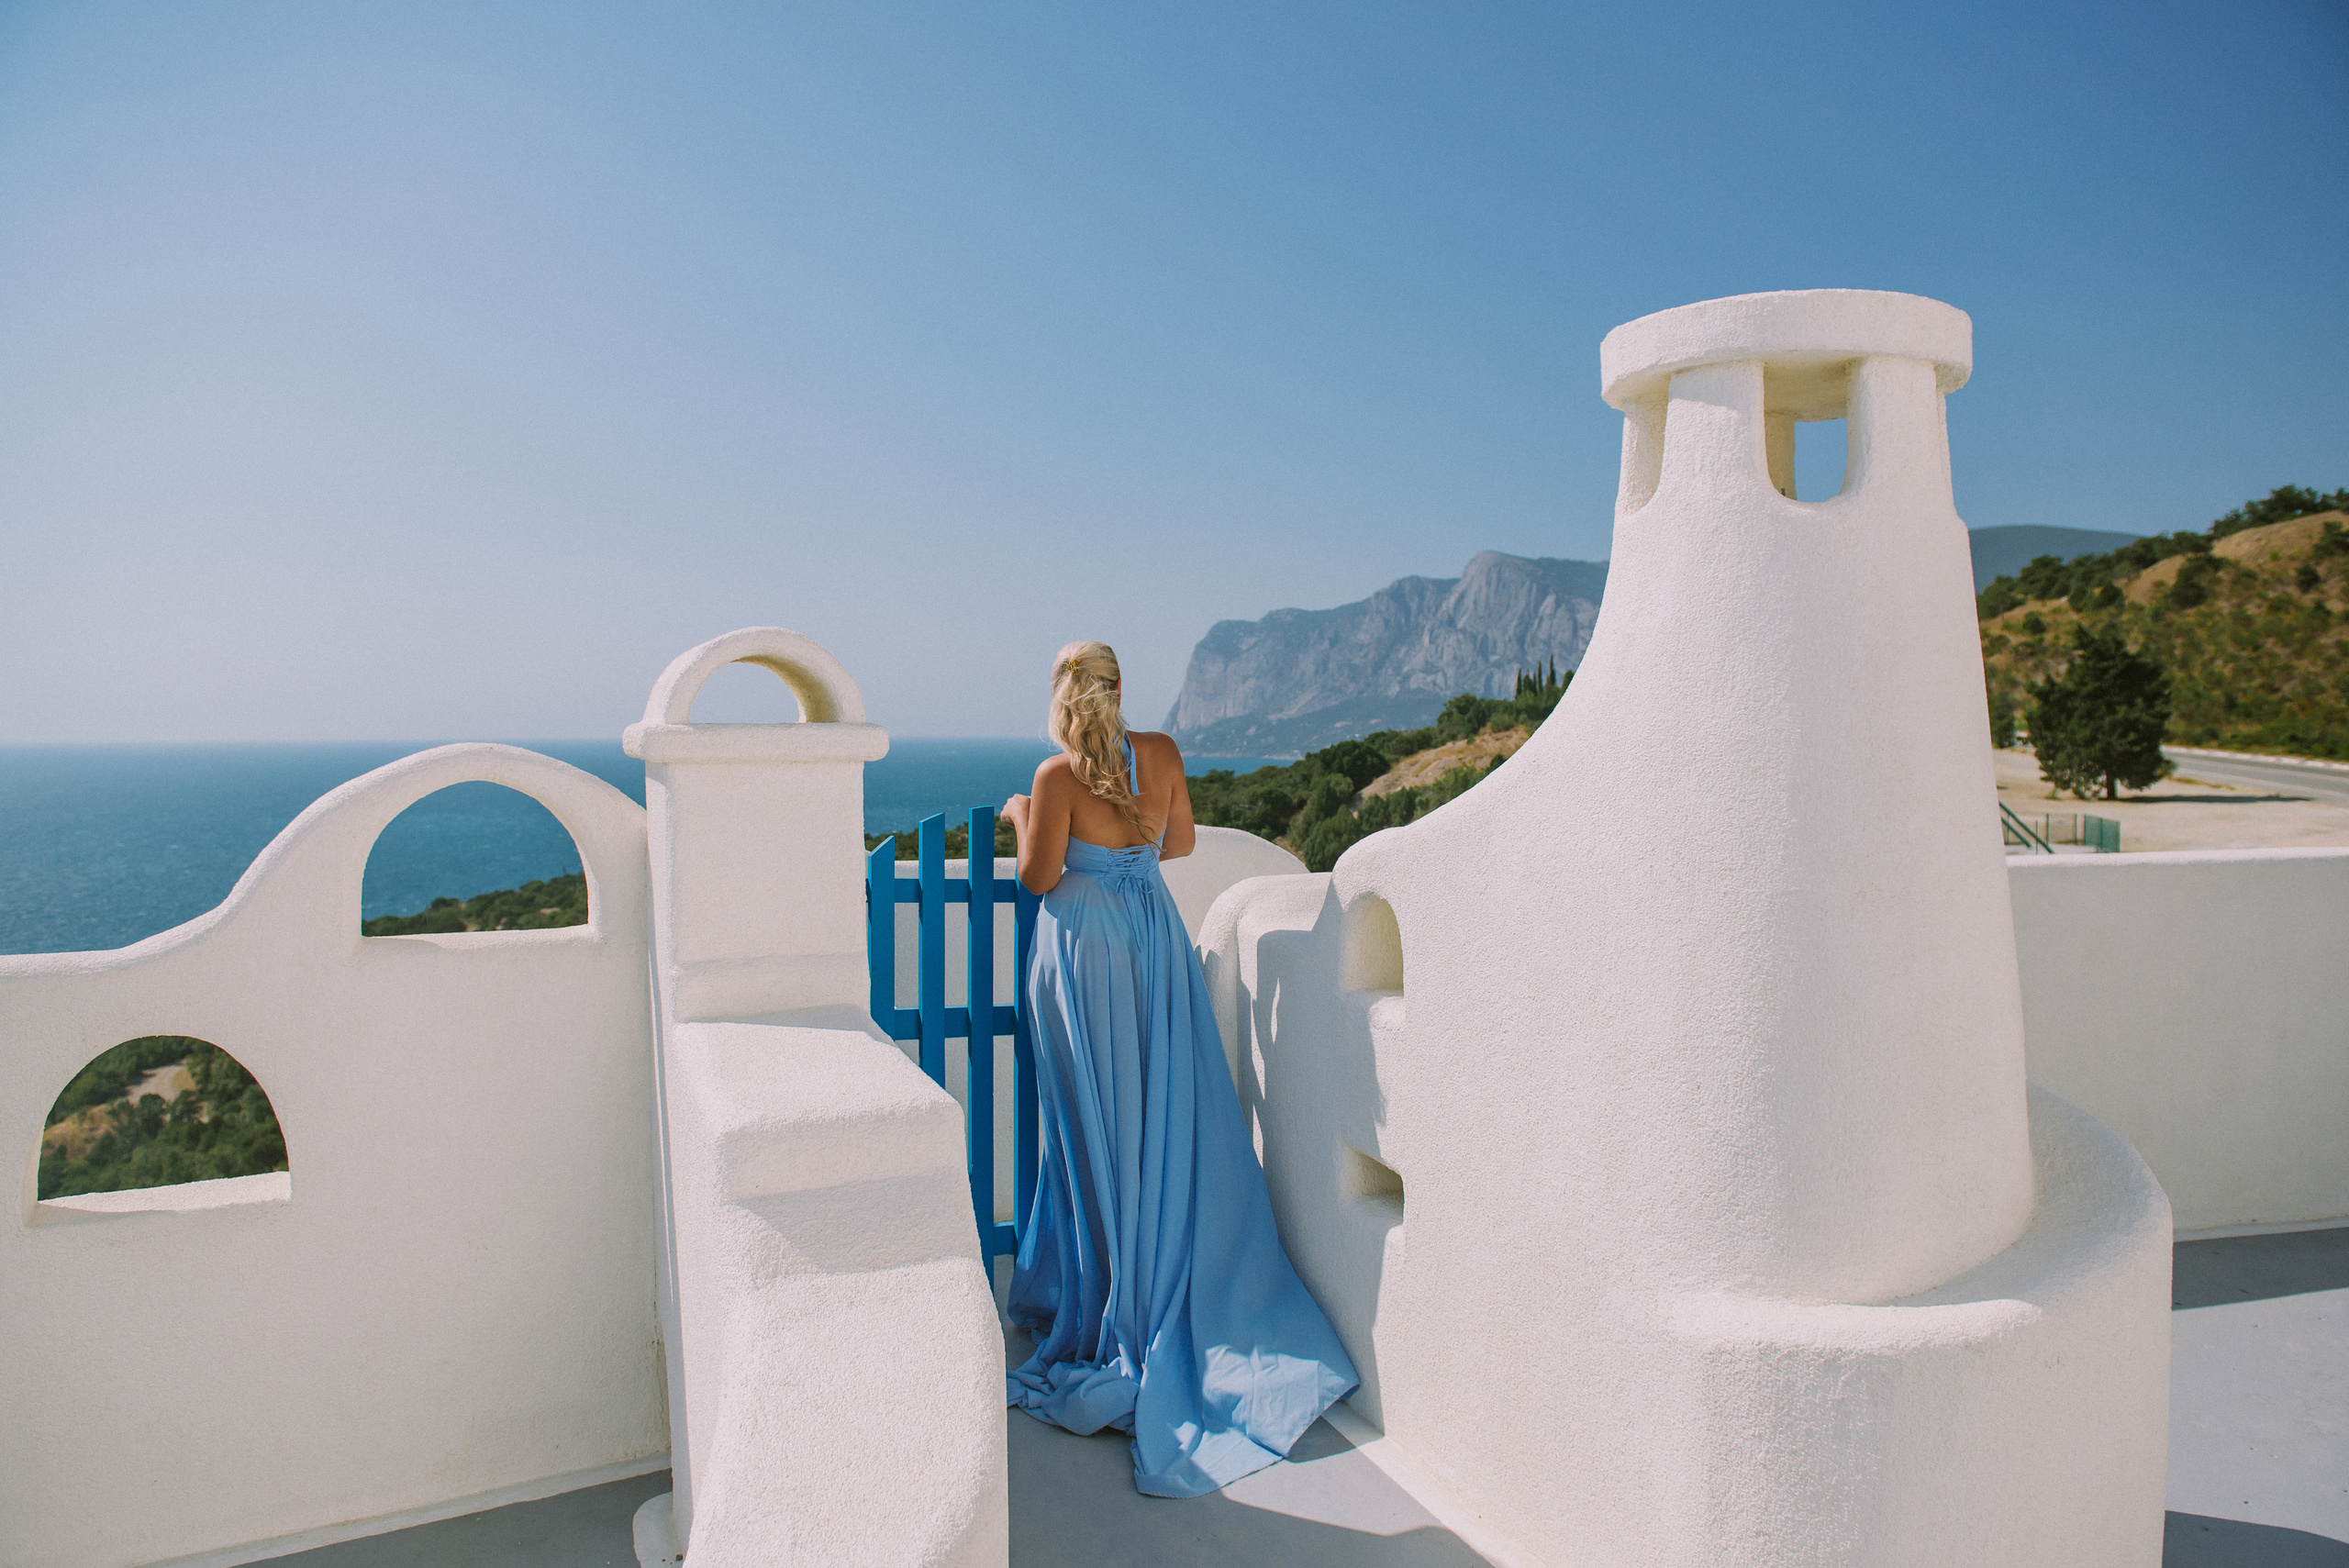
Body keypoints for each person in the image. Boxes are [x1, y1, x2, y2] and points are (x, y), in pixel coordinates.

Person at [999, 639, 1359, 1498]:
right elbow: (1182, 841)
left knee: (1097, 1128)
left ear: (1059, 696)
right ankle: (1166, 1283)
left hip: (1085, 956)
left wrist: (1020, 816)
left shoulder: (1053, 780)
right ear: (1120, 690)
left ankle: (1113, 1301)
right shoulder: (1158, 754)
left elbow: (1038, 876)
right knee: (1157, 1117)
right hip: (1153, 943)